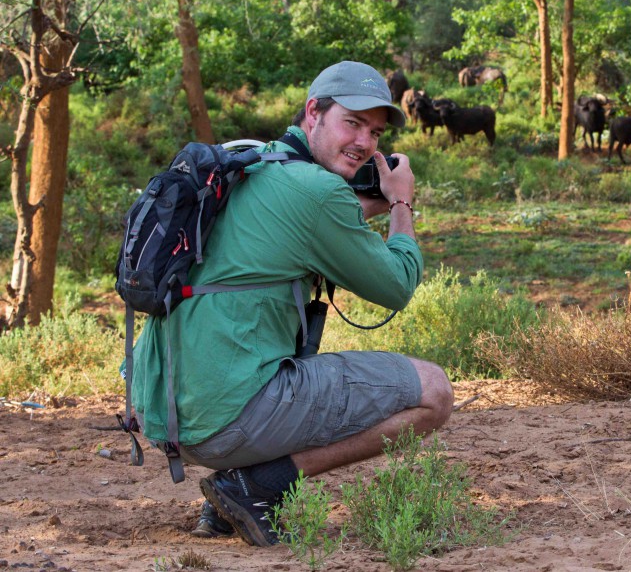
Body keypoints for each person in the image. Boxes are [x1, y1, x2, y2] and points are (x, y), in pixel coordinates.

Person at [129, 61, 454, 547]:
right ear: (313, 114)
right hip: (222, 422)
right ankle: (255, 484)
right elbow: (396, 285)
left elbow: (294, 231)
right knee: (433, 392)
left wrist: (362, 210)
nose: (365, 143)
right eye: (352, 122)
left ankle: (224, 504)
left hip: (162, 412)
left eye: (375, 132)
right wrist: (402, 205)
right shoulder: (317, 192)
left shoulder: (250, 161)